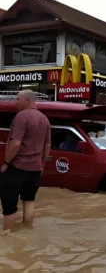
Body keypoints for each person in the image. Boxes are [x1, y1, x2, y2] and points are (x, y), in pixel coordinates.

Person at [0, 90, 51, 233]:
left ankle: (8, 237)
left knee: (9, 204)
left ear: (28, 100)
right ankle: (28, 232)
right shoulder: (44, 119)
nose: (15, 102)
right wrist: (41, 166)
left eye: (18, 99)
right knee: (29, 201)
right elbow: (47, 146)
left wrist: (6, 163)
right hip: (35, 170)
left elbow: (15, 144)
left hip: (17, 167)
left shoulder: (21, 117)